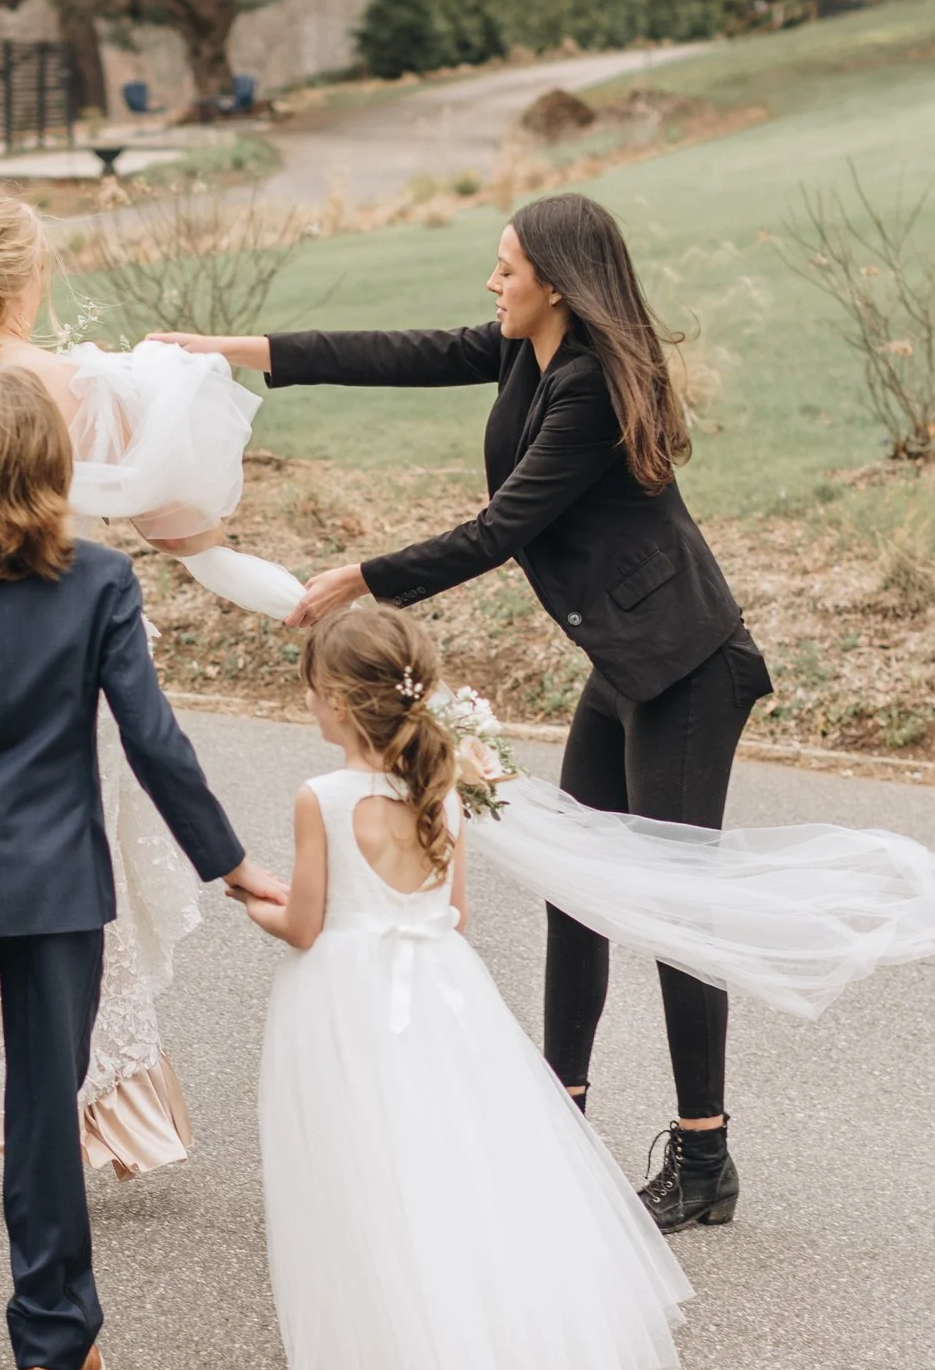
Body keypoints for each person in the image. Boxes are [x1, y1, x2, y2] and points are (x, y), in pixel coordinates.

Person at [158, 190, 773, 1234]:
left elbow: (499, 529)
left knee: (670, 909)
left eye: (506, 270)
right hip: (628, 664)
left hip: (686, 667)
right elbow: (392, 352)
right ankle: (561, 1116)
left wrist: (359, 578)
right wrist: (232, 349)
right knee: (577, 891)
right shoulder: (525, 350)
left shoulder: (584, 384)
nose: (491, 285)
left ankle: (705, 1153)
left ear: (556, 286)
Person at [0, 363, 285, 1370]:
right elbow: (152, 740)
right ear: (55, 470)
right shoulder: (99, 584)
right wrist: (229, 863)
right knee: (44, 1113)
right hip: (57, 903)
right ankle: (52, 1357)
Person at [0, 183, 302, 1183]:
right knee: (63, 901)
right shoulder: (63, 384)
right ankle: (58, 1126)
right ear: (24, 280)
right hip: (59, 686)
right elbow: (167, 529)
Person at [236, 605, 694, 1370]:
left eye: (312, 692)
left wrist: (251, 898)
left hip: (347, 999)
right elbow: (454, 913)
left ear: (334, 700)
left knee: (367, 1174)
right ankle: (503, 1353)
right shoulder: (444, 791)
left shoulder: (324, 799)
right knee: (462, 1163)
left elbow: (305, 926)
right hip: (446, 992)